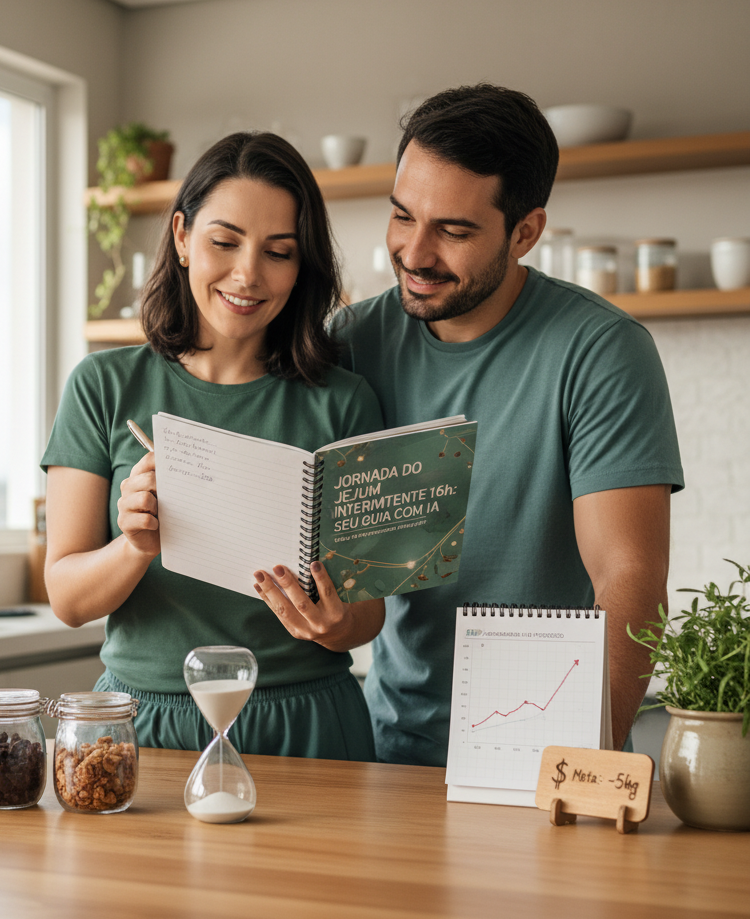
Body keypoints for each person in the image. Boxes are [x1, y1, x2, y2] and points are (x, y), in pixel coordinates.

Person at [329, 84, 684, 765]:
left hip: (548, 745)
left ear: (526, 232)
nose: (415, 251)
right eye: (403, 216)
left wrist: (582, 762)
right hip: (387, 747)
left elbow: (627, 575)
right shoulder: (351, 341)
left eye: (454, 231)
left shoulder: (601, 350)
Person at [42, 131, 385, 760]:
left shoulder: (344, 401)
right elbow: (66, 597)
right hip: (146, 725)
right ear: (180, 237)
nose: (248, 274)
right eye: (223, 242)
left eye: (278, 252)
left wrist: (338, 625)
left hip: (304, 721)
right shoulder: (103, 386)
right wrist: (135, 546)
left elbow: (368, 614)